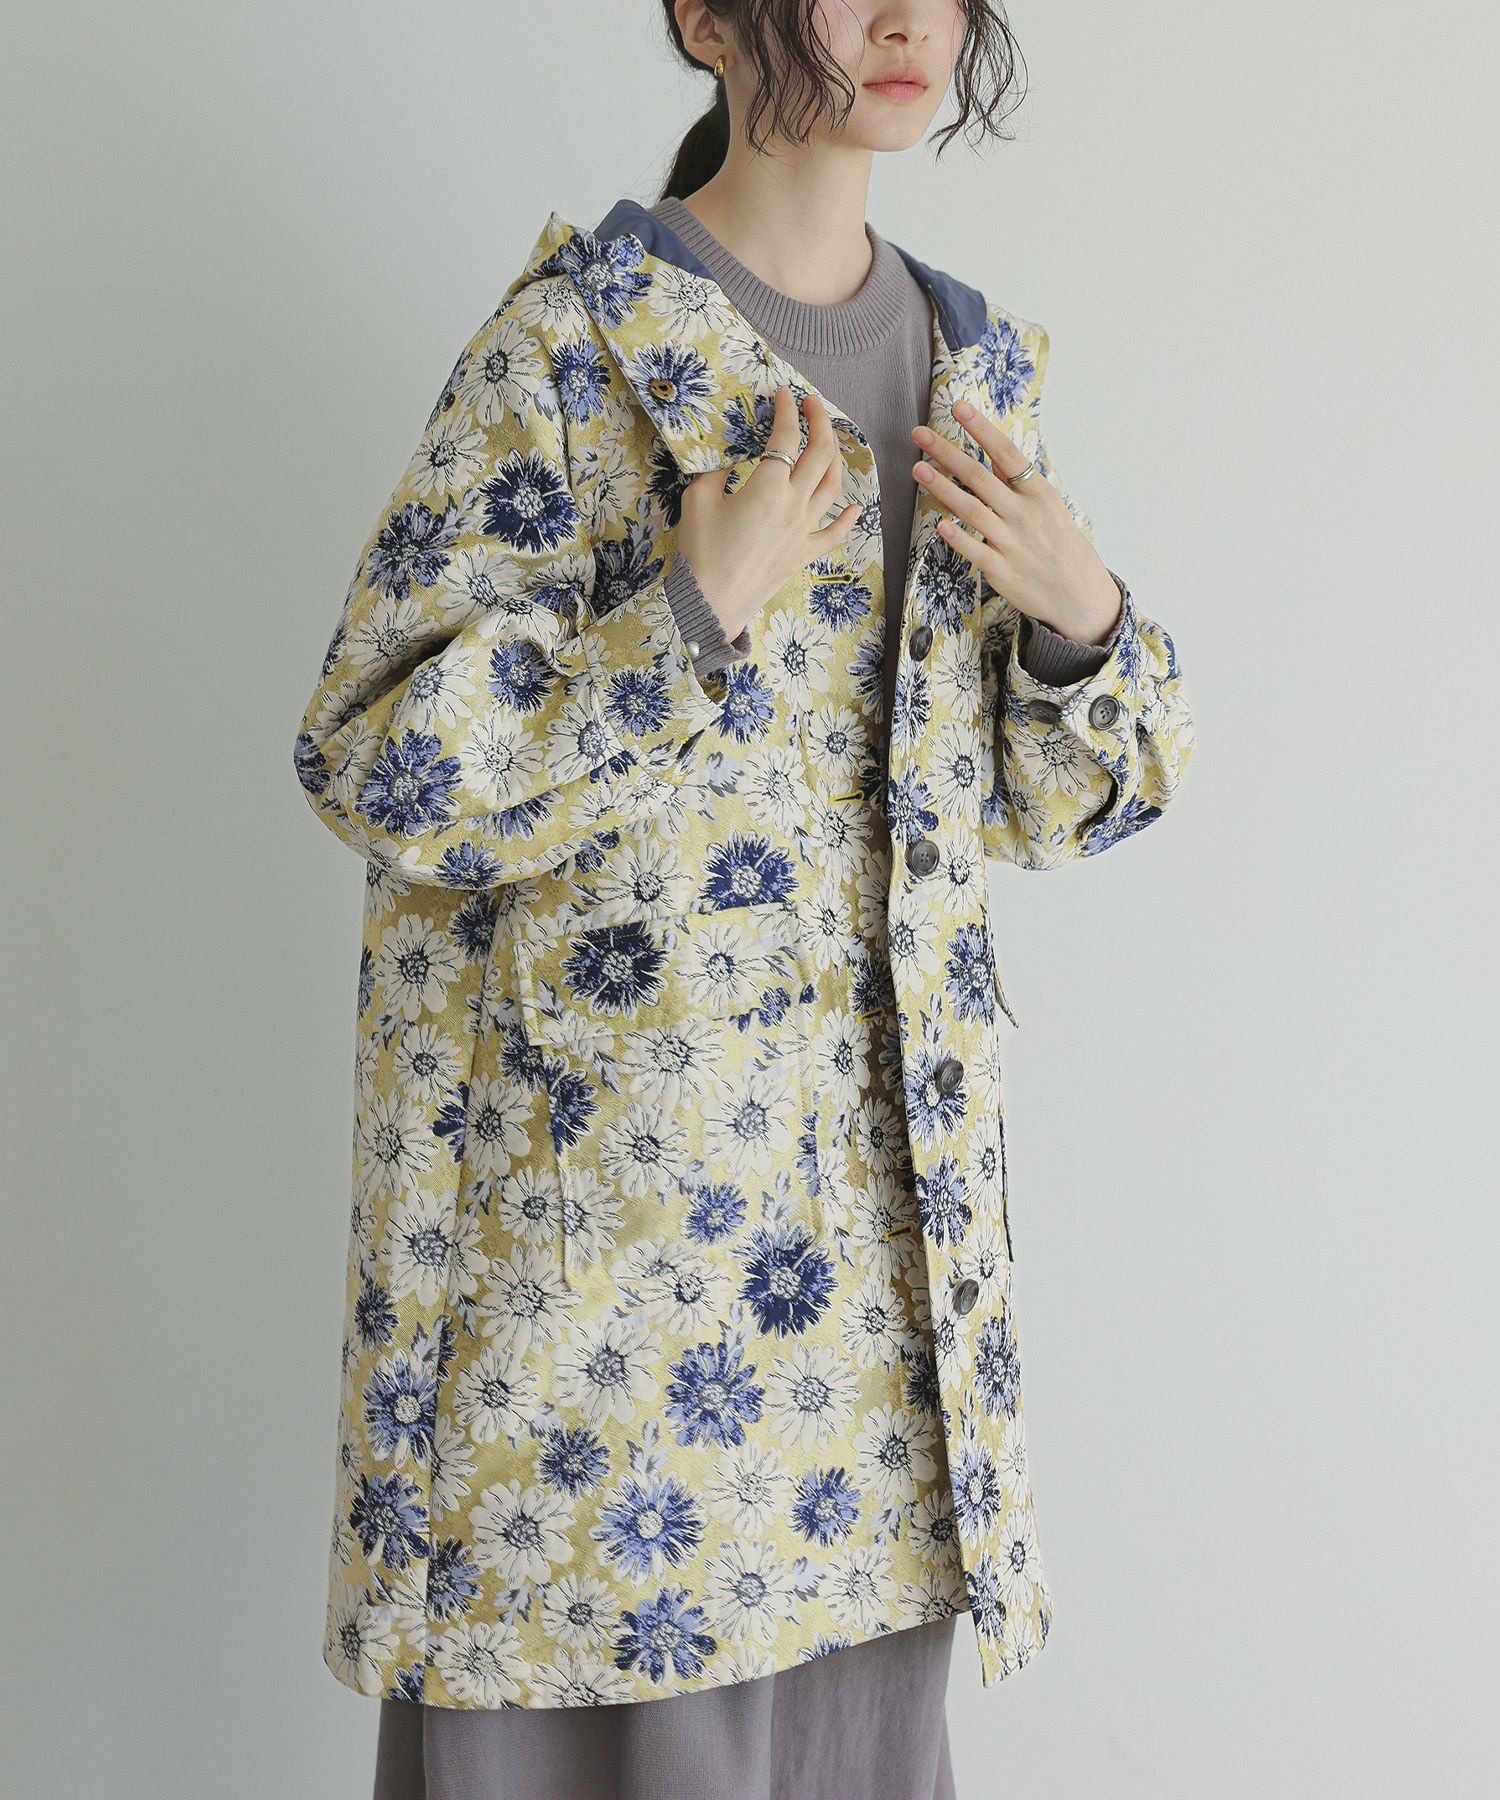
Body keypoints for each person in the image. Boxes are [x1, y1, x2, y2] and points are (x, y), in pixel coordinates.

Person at [291, 3, 1197, 1795]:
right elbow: (372, 760)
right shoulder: (574, 353)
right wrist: (684, 622)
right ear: (707, 18)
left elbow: (1045, 804)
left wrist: (1082, 623)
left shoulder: (972, 372)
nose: (907, 20)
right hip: (608, 1315)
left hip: (880, 1317)